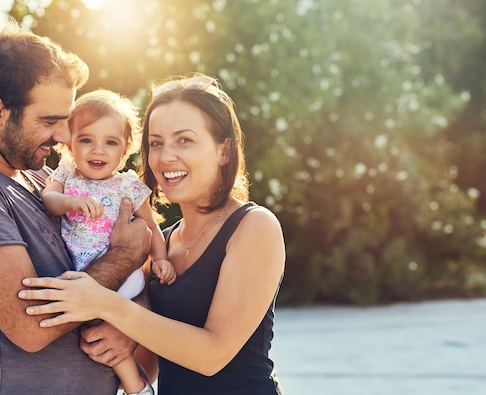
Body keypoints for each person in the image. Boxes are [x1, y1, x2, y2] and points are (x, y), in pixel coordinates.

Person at [0, 22, 152, 395]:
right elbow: (30, 327)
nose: (63, 137)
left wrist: (128, 321)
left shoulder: (42, 178)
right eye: (49, 121)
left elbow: (125, 271)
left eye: (65, 120)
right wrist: (125, 255)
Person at [18, 73, 286, 394]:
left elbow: (212, 355)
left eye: (184, 140)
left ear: (223, 151)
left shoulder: (254, 226)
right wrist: (120, 337)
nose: (165, 156)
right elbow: (150, 365)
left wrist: (104, 303)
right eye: (156, 143)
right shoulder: (163, 240)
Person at [42, 89, 176, 395]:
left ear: (126, 148)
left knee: (99, 322)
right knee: (96, 331)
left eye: (110, 142)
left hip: (124, 276)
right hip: (85, 270)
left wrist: (162, 259)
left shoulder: (128, 185)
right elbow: (49, 199)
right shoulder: (67, 175)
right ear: (69, 143)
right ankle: (138, 385)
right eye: (86, 139)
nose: (97, 151)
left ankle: (134, 385)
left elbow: (152, 227)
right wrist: (69, 202)